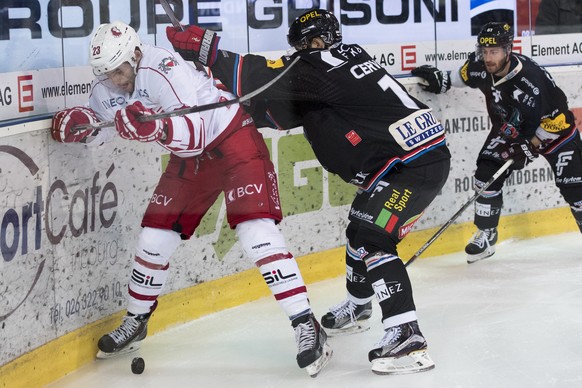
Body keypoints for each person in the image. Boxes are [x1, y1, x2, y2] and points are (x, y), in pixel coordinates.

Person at [166, 8, 451, 375]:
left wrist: (207, 49)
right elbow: (289, 109)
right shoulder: (338, 68)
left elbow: (258, 74)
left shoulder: (318, 66)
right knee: (359, 228)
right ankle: (359, 304)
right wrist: (232, 100)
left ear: (318, 42)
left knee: (372, 237)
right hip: (409, 161)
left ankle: (406, 336)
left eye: (303, 46)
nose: (299, 53)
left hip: (411, 168)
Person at [50, 20, 332, 377]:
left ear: (136, 55)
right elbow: (106, 125)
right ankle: (137, 321)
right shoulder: (108, 84)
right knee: (154, 237)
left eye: (120, 70)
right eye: (106, 74)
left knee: (255, 233)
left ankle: (307, 325)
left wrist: (153, 127)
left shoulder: (162, 69)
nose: (117, 81)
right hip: (190, 155)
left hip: (231, 137)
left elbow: (195, 135)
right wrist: (83, 125)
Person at [412, 22, 582, 263]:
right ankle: (487, 234)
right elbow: (464, 75)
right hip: (510, 132)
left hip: (555, 134)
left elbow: (558, 117)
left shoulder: (531, 79)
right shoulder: (481, 66)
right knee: (485, 176)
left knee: (576, 190)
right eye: (484, 51)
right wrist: (444, 80)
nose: (488, 57)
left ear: (508, 50)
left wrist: (532, 144)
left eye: (494, 52)